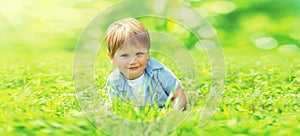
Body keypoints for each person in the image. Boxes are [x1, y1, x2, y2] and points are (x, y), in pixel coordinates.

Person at [105, 18, 186, 110]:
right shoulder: (114, 82)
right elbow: (118, 109)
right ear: (112, 57)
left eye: (139, 54)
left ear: (147, 54)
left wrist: (173, 114)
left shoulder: (158, 71)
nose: (133, 61)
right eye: (125, 55)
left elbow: (178, 95)